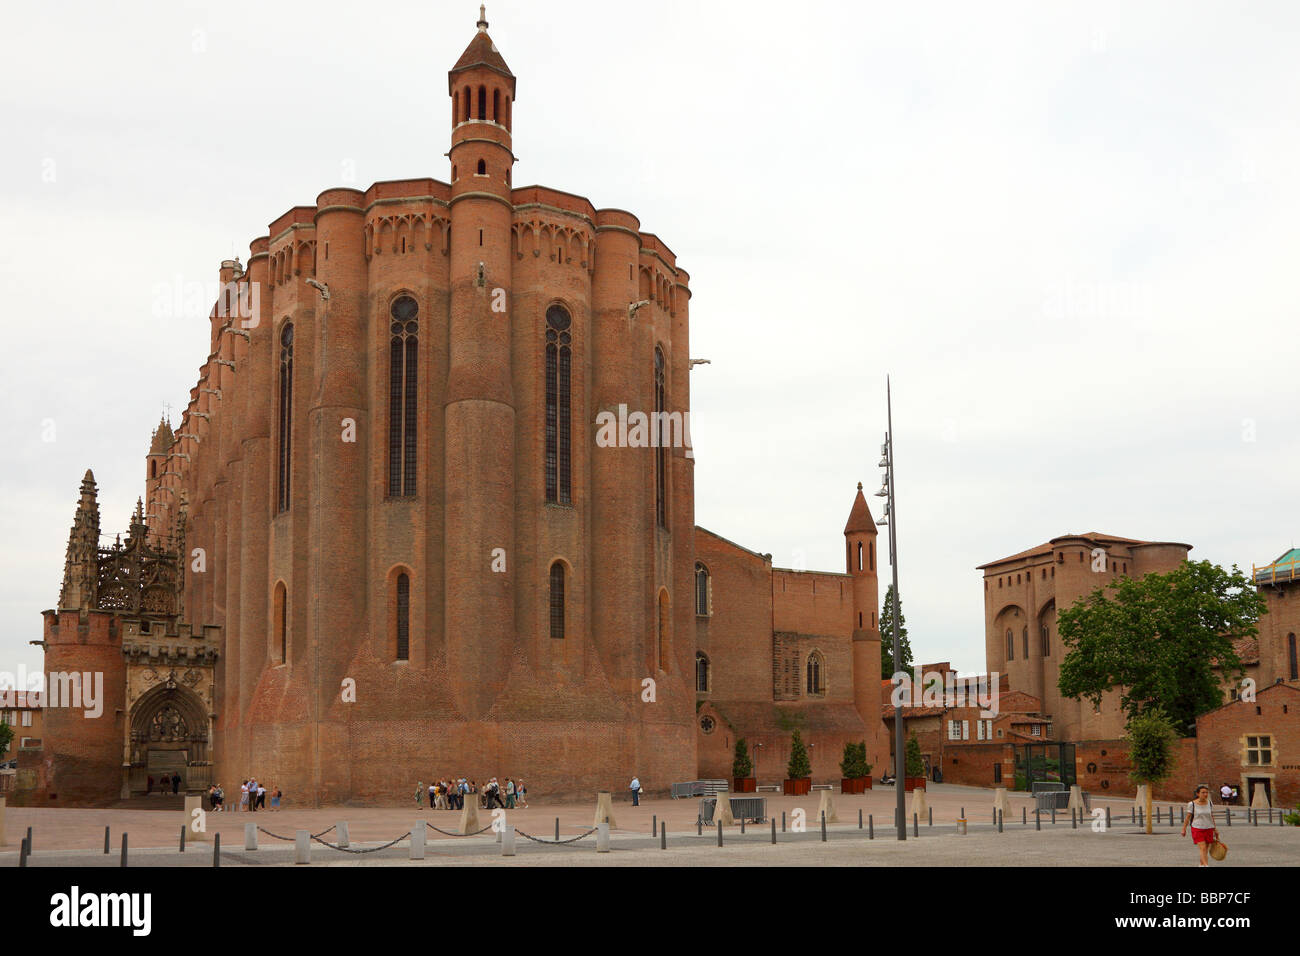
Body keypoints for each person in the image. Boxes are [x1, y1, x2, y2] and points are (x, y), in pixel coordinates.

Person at [1181, 784, 1219, 867]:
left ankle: (1201, 864)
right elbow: (1188, 818)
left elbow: (1211, 816)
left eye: (1206, 792)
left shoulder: (1209, 803)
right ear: (1198, 794)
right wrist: (1184, 829)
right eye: (1203, 792)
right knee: (1202, 847)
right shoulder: (1192, 804)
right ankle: (1206, 865)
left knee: (1206, 848)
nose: (1205, 794)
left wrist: (1215, 829)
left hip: (1209, 827)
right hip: (1197, 828)